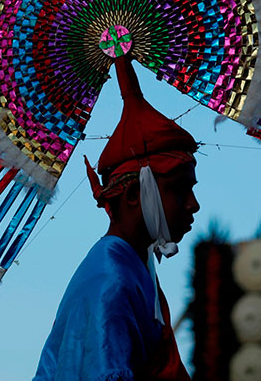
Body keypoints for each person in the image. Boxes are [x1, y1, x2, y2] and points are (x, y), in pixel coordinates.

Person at [33, 54, 199, 381]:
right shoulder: (110, 280)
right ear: (135, 195)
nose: (193, 205)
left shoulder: (136, 265)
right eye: (180, 190)